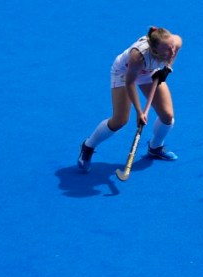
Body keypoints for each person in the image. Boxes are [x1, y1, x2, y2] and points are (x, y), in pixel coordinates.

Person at [77, 26, 182, 172]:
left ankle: (155, 147)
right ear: (155, 49)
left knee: (167, 116)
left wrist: (167, 68)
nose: (172, 52)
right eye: (167, 50)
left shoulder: (172, 44)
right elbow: (130, 82)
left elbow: (178, 43)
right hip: (124, 73)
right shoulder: (138, 56)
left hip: (149, 72)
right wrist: (139, 112)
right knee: (120, 120)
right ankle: (88, 145)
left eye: (172, 48)